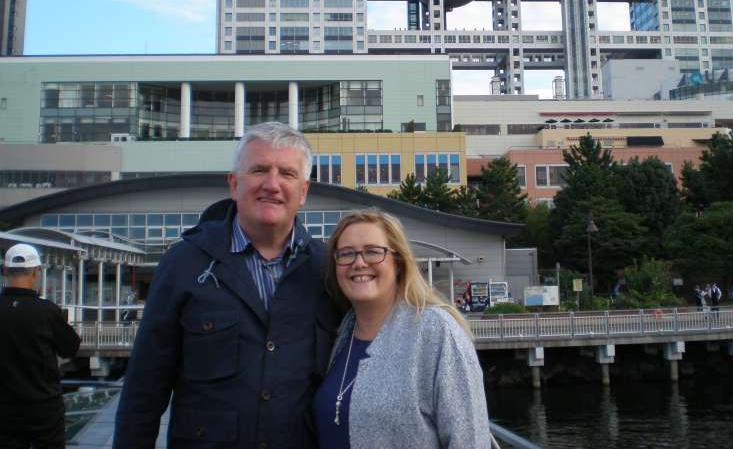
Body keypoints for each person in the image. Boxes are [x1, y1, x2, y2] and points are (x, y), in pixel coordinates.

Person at [114, 122, 341, 448]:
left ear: (303, 191)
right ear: (234, 184)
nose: (272, 184)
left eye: (287, 174)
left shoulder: (326, 270)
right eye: (259, 170)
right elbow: (144, 388)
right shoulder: (183, 263)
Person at [312, 210, 491, 449]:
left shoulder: (436, 331)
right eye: (346, 254)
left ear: (397, 262)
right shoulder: (343, 333)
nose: (358, 262)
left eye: (373, 251)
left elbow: (470, 440)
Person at [0, 243, 81, 448]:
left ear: (5, 271)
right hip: (43, 407)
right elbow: (71, 348)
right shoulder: (46, 311)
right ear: (37, 272)